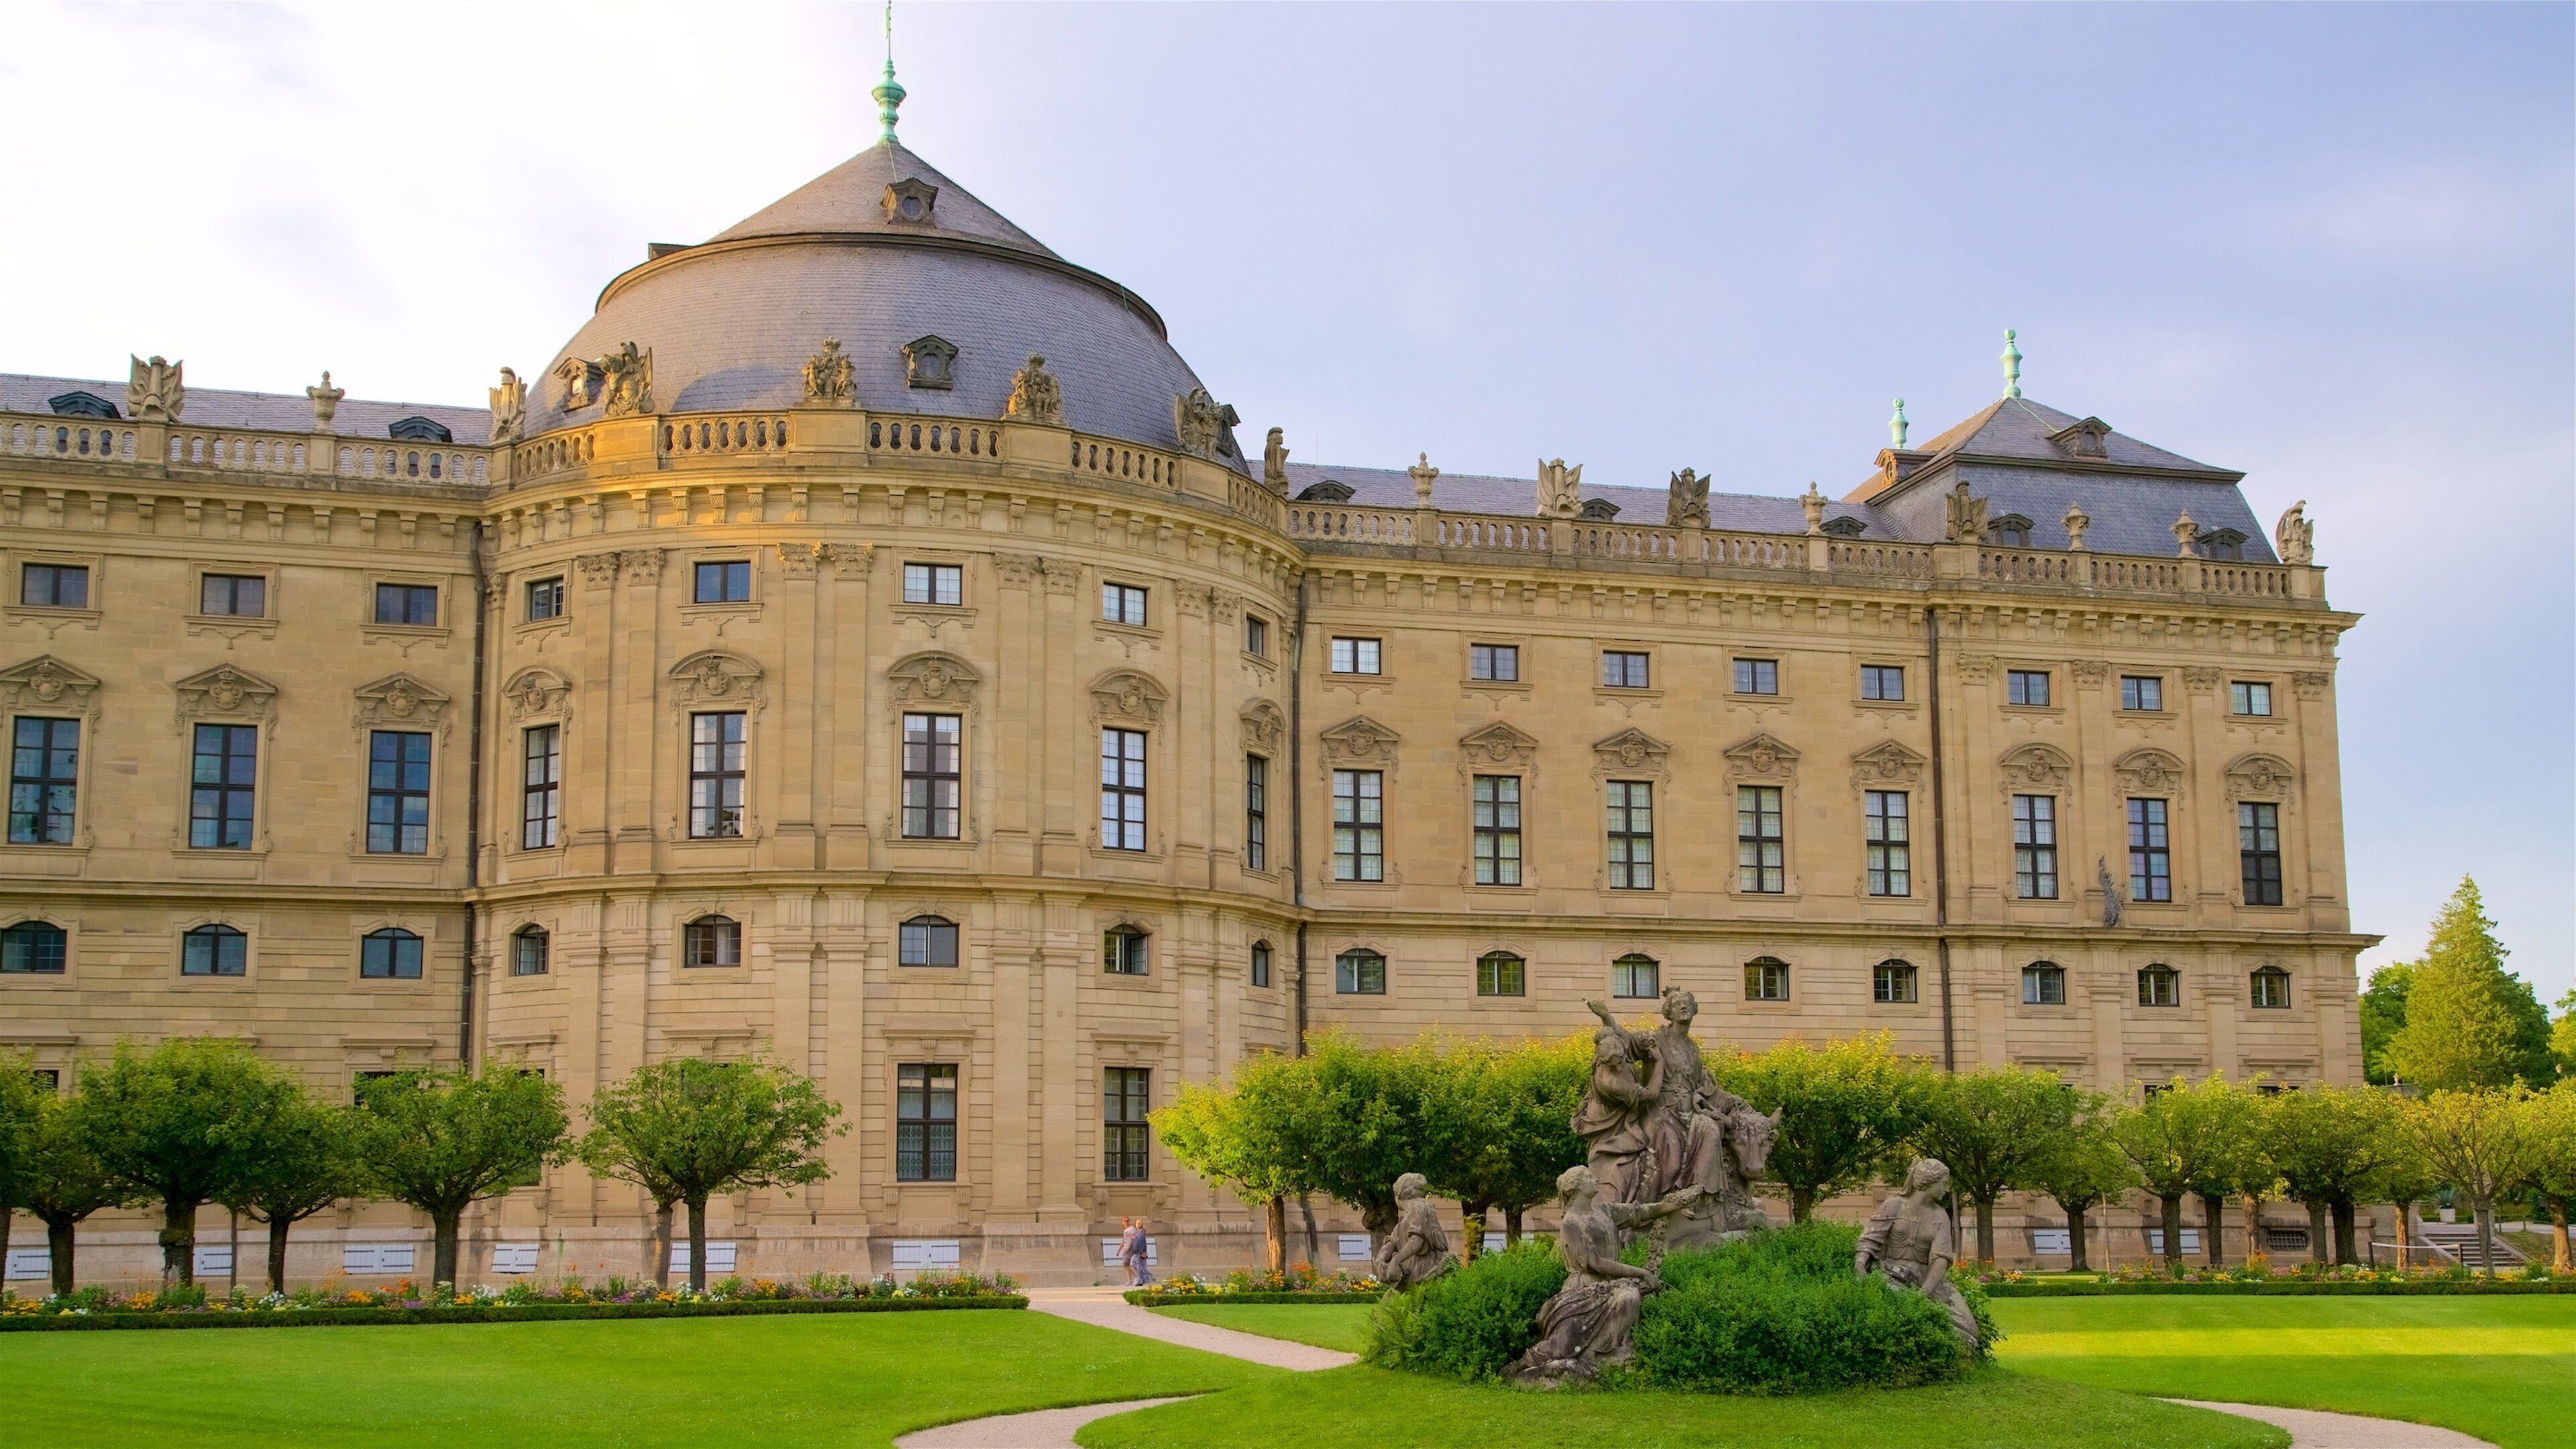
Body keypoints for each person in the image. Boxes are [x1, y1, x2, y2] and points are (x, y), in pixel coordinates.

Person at [1507, 1165, 1701, 1385]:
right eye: (1589, 1176)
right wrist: (1640, 1272)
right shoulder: (1572, 1221)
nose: (1595, 1178)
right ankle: (1594, 1357)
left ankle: (1616, 1354)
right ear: (1576, 1186)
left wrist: (1674, 1205)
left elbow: (1640, 1212)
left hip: (1612, 1283)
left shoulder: (1604, 1211)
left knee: (1629, 1297)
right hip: (1584, 1288)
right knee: (1625, 1298)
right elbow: (1595, 1263)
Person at [1856, 1157, 1981, 1350]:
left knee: (1971, 1329)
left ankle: (1955, 1341)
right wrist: (1860, 1264)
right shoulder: (1893, 1206)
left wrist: (1923, 1293)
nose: (1946, 1189)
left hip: (1924, 1278)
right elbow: (1870, 1239)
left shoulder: (1940, 1216)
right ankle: (1935, 1341)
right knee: (1955, 1333)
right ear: (1930, 1181)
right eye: (1944, 1184)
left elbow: (1941, 1259)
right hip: (1890, 1273)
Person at [1118, 1218, 1153, 1287]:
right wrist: (1119, 1250)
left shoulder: (1140, 1232)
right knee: (1137, 1266)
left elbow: (1142, 1243)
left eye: (1139, 1223)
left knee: (1134, 1265)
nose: (1138, 1225)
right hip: (1136, 1251)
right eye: (1137, 1224)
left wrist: (1144, 1252)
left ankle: (1140, 1279)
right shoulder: (1138, 1231)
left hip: (1138, 1252)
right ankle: (1138, 1280)